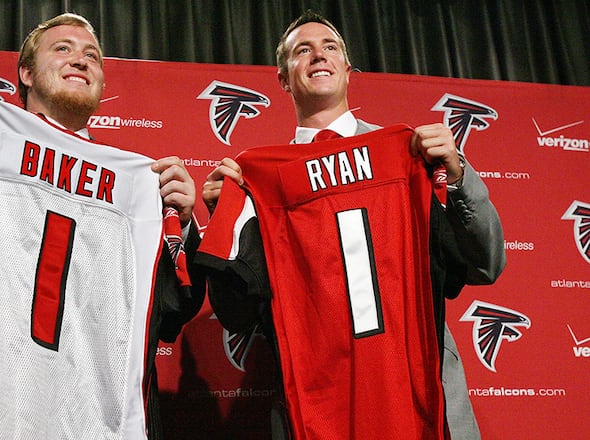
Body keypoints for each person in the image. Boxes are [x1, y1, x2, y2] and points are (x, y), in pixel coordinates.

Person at [0, 13, 204, 439]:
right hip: (0, 412)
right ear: (25, 72)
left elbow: (173, 314)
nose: (81, 61)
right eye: (62, 49)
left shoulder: (139, 184)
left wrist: (183, 230)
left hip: (101, 418)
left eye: (93, 57)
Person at [197, 10, 504, 440]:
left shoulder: (411, 153)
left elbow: (486, 264)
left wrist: (456, 176)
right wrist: (230, 218)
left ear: (347, 70)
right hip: (318, 403)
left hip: (417, 390)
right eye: (302, 50)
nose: (318, 55)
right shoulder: (260, 184)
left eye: (330, 48)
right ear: (284, 78)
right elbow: (237, 315)